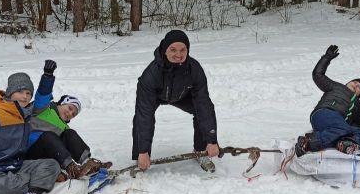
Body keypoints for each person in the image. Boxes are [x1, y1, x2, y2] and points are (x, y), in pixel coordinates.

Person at [132, 29, 219, 172]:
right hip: (157, 96)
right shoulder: (151, 74)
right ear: (165, 50)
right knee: (140, 117)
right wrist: (142, 151)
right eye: (173, 50)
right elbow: (144, 115)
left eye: (182, 50)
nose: (178, 55)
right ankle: (141, 158)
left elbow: (204, 105)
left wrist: (212, 140)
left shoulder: (194, 69)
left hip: (182, 96)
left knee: (200, 110)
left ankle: (200, 150)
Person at [25, 59, 111, 178]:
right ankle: (71, 168)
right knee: (48, 136)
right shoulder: (44, 109)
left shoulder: (65, 127)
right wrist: (48, 76)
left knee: (70, 133)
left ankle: (87, 163)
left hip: (50, 155)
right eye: (70, 108)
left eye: (73, 114)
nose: (70, 113)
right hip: (31, 152)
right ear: (61, 103)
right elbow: (43, 94)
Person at [295, 45, 360, 157]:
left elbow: (356, 125)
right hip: (325, 113)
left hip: (337, 126)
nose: (356, 85)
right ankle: (307, 142)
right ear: (348, 82)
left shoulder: (358, 105)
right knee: (343, 128)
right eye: (355, 82)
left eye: (359, 87)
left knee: (358, 131)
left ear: (359, 95)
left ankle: (347, 145)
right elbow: (318, 75)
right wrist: (327, 57)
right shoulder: (336, 87)